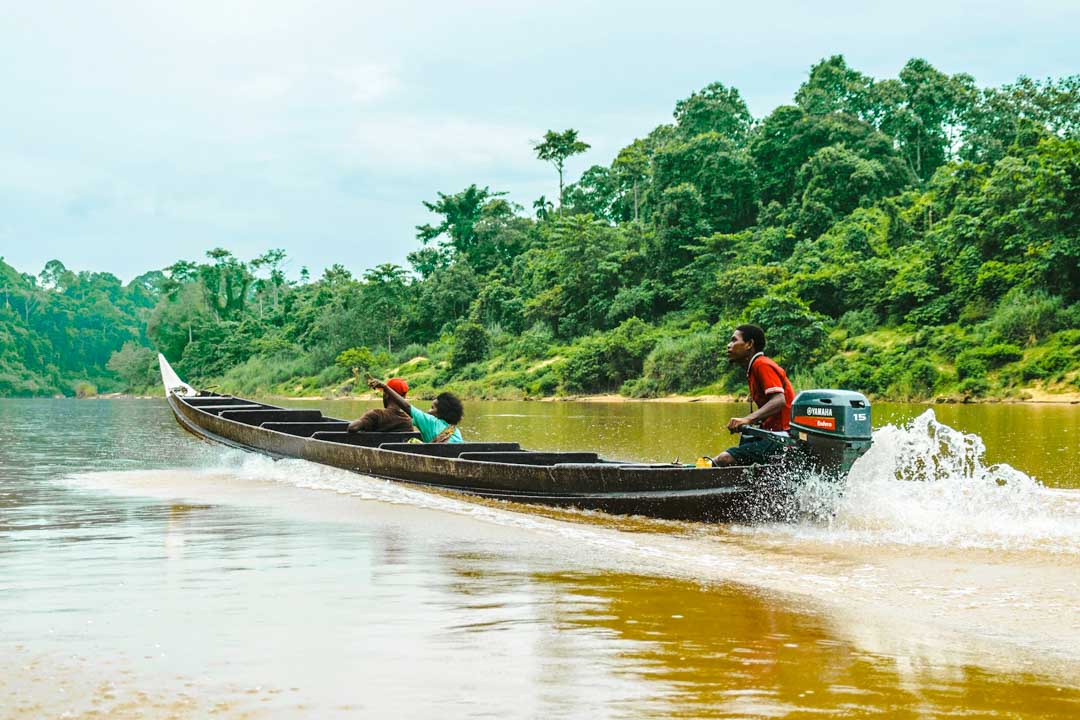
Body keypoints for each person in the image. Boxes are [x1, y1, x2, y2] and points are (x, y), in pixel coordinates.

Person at [711, 324, 794, 467]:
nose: (729, 345)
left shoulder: (761, 365)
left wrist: (747, 419)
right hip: (773, 435)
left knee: (724, 459)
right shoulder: (754, 368)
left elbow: (779, 400)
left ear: (749, 344)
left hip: (784, 438)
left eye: (734, 340)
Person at [366, 377, 464, 443]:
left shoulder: (431, 422)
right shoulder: (454, 430)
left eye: (432, 408)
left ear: (442, 413)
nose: (429, 411)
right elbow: (406, 420)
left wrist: (385, 387)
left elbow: (407, 407)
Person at [347, 377, 415, 433]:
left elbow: (352, 427)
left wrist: (366, 417)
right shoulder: (407, 421)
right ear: (403, 398)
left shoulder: (376, 415)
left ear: (386, 395)